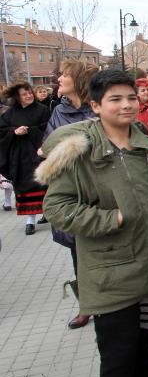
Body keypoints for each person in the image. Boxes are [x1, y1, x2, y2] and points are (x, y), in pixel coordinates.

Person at [37, 70, 148, 377]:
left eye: (130, 97)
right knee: (117, 355)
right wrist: (111, 219)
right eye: (115, 99)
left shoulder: (143, 143)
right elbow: (56, 206)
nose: (127, 104)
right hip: (111, 271)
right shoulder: (80, 152)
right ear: (95, 106)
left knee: (143, 341)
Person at [44, 59, 100, 330]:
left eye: (64, 75)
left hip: (99, 189)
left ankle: (108, 301)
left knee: (101, 250)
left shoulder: (96, 110)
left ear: (77, 80)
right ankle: (85, 305)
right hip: (72, 190)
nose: (59, 80)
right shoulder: (58, 112)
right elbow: (48, 147)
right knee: (78, 253)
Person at [0, 82, 50, 235]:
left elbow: (48, 129)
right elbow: (2, 131)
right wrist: (14, 131)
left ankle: (47, 213)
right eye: (24, 94)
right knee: (24, 187)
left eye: (29, 92)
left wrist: (30, 131)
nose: (29, 96)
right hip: (19, 157)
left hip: (38, 154)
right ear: (17, 97)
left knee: (43, 184)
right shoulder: (10, 114)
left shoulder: (42, 110)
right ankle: (30, 221)